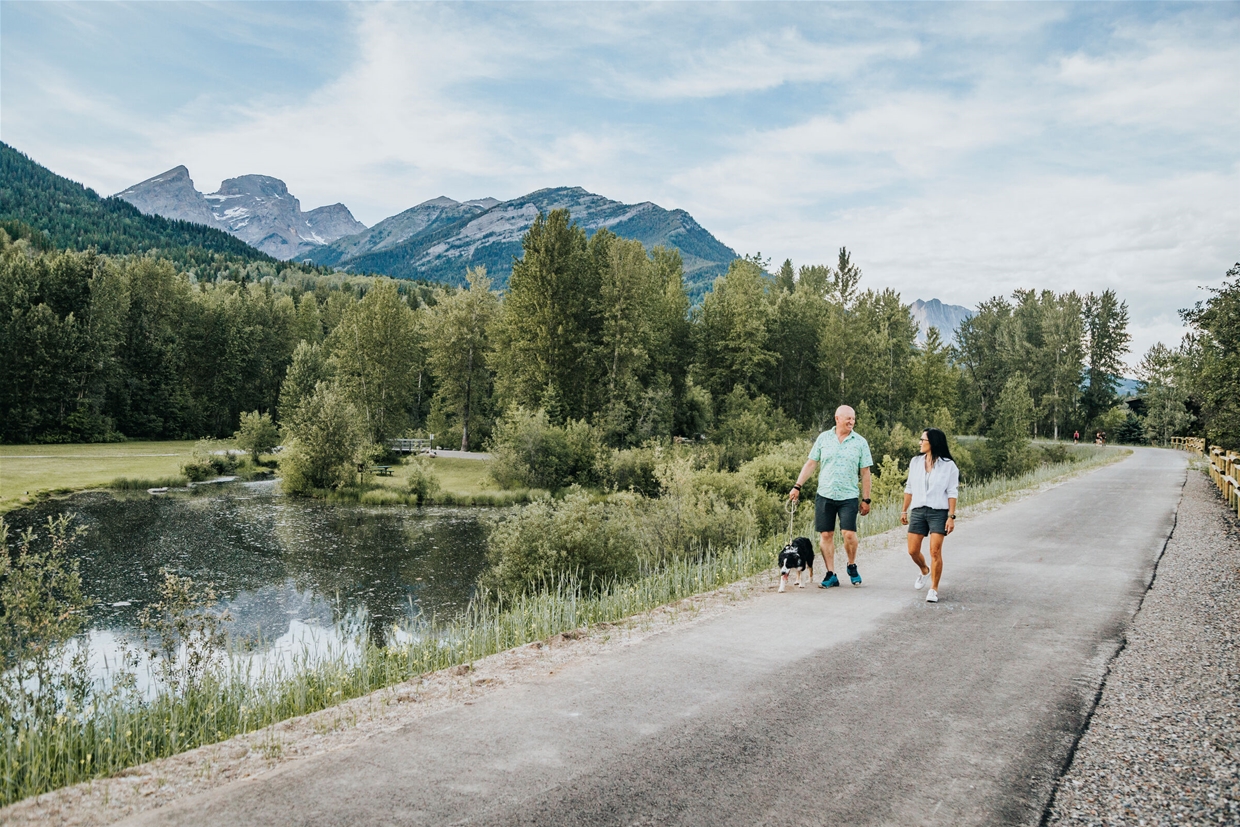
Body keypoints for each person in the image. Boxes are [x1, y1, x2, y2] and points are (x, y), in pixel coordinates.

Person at [789, 405, 873, 589]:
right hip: (825, 494)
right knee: (826, 534)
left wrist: (866, 499)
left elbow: (865, 472)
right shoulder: (823, 438)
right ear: (837, 419)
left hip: (848, 495)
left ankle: (851, 565)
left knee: (848, 534)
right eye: (848, 418)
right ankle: (831, 574)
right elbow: (811, 463)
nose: (851, 422)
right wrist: (797, 486)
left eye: (853, 418)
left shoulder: (860, 442)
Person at [900, 428, 959, 603]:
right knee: (912, 550)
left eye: (922, 439)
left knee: (935, 550)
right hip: (918, 510)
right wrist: (904, 509)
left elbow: (952, 492)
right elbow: (909, 488)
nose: (920, 442)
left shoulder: (949, 465)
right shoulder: (915, 462)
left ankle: (933, 588)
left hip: (938, 512)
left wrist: (951, 516)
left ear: (932, 442)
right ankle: (924, 570)